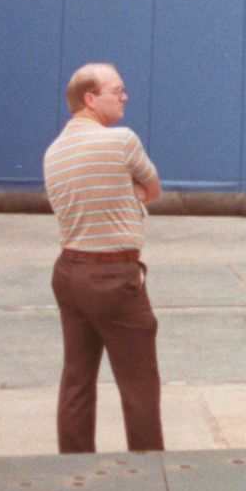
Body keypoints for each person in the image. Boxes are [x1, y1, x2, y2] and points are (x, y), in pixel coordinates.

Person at [43, 62, 164, 453]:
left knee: (76, 380)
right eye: (117, 90)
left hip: (68, 275)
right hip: (114, 278)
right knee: (139, 385)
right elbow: (154, 187)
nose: (125, 96)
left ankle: (75, 469)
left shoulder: (53, 152)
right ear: (90, 99)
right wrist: (128, 195)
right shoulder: (122, 140)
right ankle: (150, 474)